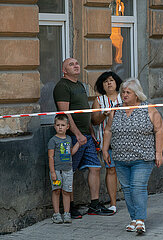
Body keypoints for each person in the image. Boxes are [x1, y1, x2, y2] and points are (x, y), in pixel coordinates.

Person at [53, 58, 114, 218]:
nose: (76, 66)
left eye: (77, 63)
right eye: (71, 64)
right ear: (64, 70)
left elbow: (85, 112)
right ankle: (69, 208)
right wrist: (78, 135)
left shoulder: (80, 85)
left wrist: (91, 133)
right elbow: (65, 113)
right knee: (68, 172)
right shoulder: (62, 86)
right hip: (71, 137)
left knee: (95, 167)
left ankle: (94, 205)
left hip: (86, 136)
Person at [102, 78, 163, 234]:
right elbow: (108, 130)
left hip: (143, 157)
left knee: (138, 187)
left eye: (128, 92)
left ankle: (141, 220)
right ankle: (134, 219)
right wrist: (104, 149)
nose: (124, 95)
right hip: (120, 157)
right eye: (123, 92)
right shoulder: (116, 110)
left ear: (137, 94)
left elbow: (159, 130)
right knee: (127, 189)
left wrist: (159, 153)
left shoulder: (149, 109)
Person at [91, 71, 122, 212]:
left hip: (126, 140)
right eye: (105, 81)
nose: (109, 83)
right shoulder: (99, 100)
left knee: (130, 170)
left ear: (116, 82)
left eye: (111, 80)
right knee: (111, 169)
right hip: (106, 142)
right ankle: (113, 204)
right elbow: (94, 121)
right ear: (101, 85)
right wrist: (104, 114)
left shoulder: (124, 97)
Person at [48, 114, 81, 223]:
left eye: (63, 125)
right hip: (57, 171)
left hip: (68, 171)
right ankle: (56, 214)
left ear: (67, 127)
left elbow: (70, 153)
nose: (60, 127)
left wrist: (78, 144)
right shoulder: (53, 141)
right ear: (54, 126)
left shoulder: (69, 139)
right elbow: (50, 157)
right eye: (58, 125)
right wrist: (53, 172)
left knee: (67, 191)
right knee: (56, 190)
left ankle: (67, 213)